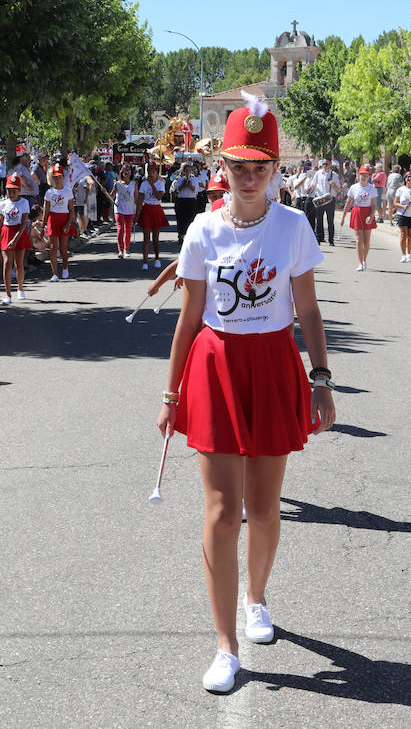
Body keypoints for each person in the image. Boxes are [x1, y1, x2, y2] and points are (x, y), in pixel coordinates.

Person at [155, 95, 333, 694]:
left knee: (264, 506)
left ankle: (257, 598)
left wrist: (321, 379)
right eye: (238, 166)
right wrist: (171, 394)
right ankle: (225, 646)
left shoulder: (294, 226)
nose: (249, 176)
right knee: (221, 511)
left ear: (275, 168)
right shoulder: (203, 229)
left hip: (274, 365)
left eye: (260, 166)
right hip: (217, 368)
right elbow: (189, 319)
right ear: (223, 168)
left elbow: (308, 310)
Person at [0, 175, 31, 303]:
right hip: (6, 232)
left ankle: (20, 288)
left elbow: (24, 223)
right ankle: (8, 294)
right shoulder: (3, 204)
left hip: (19, 233)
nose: (11, 193)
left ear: (19, 190)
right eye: (9, 190)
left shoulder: (24, 202)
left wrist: (15, 239)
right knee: (6, 263)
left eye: (14, 190)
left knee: (18, 263)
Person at [340, 165, 378, 271]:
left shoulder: (372, 189)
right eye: (362, 174)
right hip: (357, 212)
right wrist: (343, 216)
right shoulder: (354, 187)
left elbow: (374, 205)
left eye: (366, 175)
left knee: (366, 240)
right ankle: (360, 263)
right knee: (358, 239)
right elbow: (349, 203)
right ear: (358, 175)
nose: (364, 177)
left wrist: (371, 216)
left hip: (367, 213)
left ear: (369, 176)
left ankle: (364, 260)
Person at [41, 164, 76, 279]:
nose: (58, 179)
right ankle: (55, 274)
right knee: (53, 248)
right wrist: (43, 225)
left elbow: (71, 209)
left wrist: (68, 224)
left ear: (63, 177)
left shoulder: (68, 191)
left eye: (60, 177)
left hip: (64, 219)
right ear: (52, 178)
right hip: (52, 220)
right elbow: (46, 210)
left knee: (63, 248)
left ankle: (65, 268)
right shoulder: (49, 192)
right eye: (55, 177)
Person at [137, 162, 168, 269]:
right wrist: (137, 214)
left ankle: (157, 259)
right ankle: (145, 262)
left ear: (156, 173)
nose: (151, 174)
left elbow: (159, 197)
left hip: (156, 209)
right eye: (149, 172)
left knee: (155, 238)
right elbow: (140, 199)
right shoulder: (143, 184)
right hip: (146, 209)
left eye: (153, 172)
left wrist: (152, 185)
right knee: (146, 238)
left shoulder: (160, 183)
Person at [393, 172, 411, 263]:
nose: (409, 178)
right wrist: (403, 206)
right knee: (403, 235)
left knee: (410, 235)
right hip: (402, 215)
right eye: (407, 177)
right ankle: (403, 255)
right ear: (405, 178)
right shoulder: (400, 190)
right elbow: (395, 203)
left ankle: (409, 253)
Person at [111, 164, 137, 259]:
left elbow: (137, 197)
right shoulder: (117, 184)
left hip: (130, 210)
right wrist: (105, 192)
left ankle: (127, 249)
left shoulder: (134, 184)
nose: (127, 172)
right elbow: (111, 196)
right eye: (125, 170)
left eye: (128, 170)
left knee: (128, 230)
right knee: (120, 229)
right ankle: (120, 250)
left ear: (131, 172)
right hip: (119, 209)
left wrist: (138, 209)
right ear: (122, 172)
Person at [311, 159, 339, 246]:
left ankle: (331, 240)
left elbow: (338, 189)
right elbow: (313, 183)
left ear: (330, 164)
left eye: (326, 164)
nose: (324, 165)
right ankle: (318, 238)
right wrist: (314, 186)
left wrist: (334, 184)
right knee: (319, 220)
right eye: (323, 164)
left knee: (330, 220)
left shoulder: (334, 175)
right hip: (320, 198)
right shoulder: (318, 173)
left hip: (330, 199)